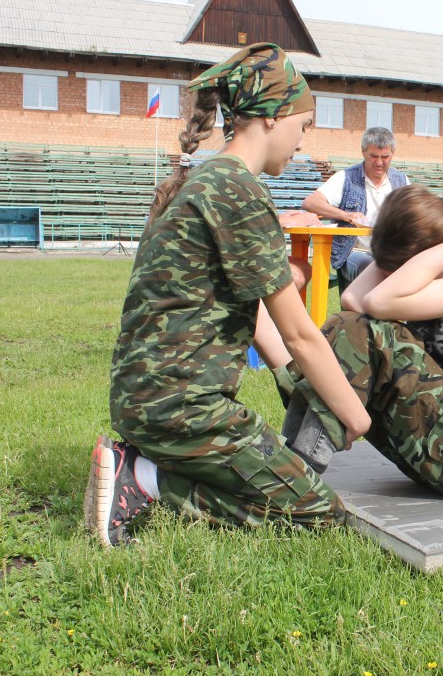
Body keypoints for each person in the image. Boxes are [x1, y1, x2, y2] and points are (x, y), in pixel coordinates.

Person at [84, 43, 372, 547]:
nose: (302, 144)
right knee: (318, 512)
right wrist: (355, 413)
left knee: (283, 481)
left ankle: (149, 461)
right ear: (271, 116)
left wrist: (290, 382)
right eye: (302, 127)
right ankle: (145, 480)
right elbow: (300, 332)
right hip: (182, 409)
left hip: (147, 401)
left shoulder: (205, 182)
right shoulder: (238, 191)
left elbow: (255, 309)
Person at [281, 180, 443, 498]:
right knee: (345, 324)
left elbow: (374, 305)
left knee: (361, 331)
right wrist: (402, 244)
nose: (394, 281)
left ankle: (297, 474)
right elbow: (353, 300)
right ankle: (293, 458)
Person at [301, 127, 410, 293]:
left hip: (391, 251)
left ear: (393, 153)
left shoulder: (402, 181)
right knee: (374, 268)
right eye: (373, 156)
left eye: (385, 157)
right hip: (353, 252)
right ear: (363, 151)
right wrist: (345, 215)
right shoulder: (345, 178)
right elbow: (311, 202)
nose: (379, 162)